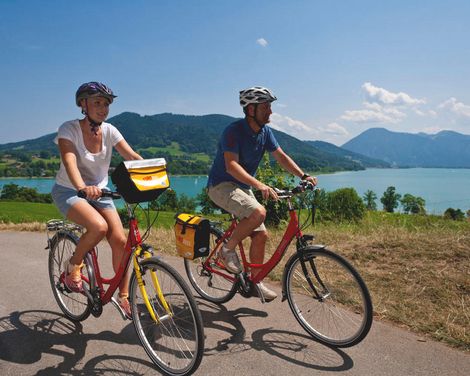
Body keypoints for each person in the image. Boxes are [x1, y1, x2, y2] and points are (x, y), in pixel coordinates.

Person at [207, 86, 317, 302]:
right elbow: (231, 166)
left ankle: (254, 282)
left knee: (261, 234)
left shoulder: (265, 133)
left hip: (243, 187)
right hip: (221, 185)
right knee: (258, 212)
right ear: (251, 110)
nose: (270, 112)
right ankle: (226, 251)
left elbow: (282, 157)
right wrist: (259, 185)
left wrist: (303, 175)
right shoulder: (233, 131)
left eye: (269, 107)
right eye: (266, 107)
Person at [51, 82, 142, 318]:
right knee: (98, 227)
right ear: (83, 104)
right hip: (69, 191)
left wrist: (150, 172)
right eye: (97, 103)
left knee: (121, 241)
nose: (103, 108)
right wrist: (81, 186)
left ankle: (124, 297)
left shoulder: (110, 131)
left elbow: (131, 155)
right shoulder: (68, 129)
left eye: (106, 104)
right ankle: (74, 267)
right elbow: (70, 160)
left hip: (100, 192)